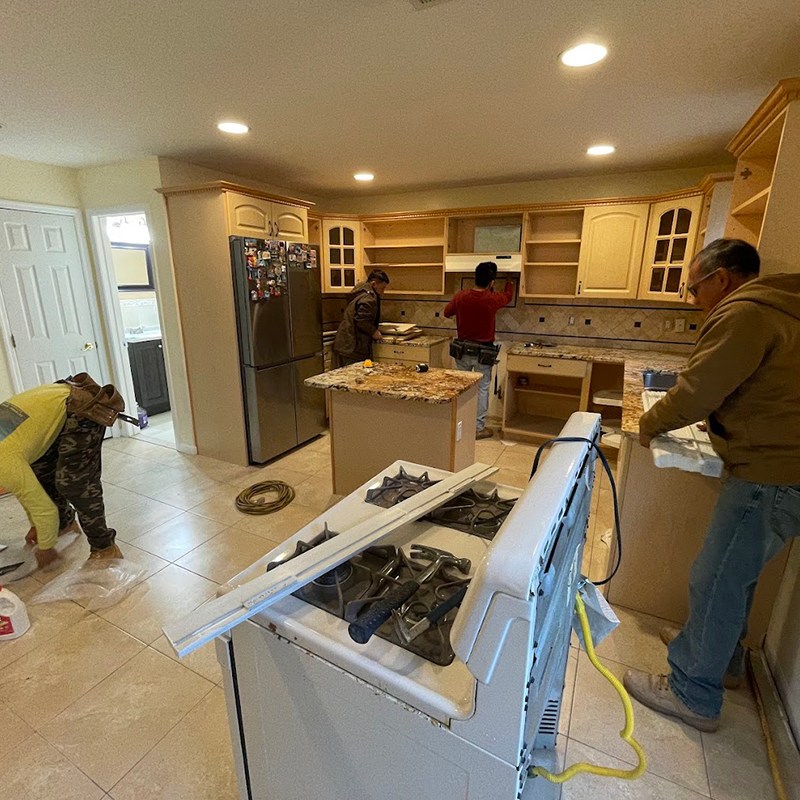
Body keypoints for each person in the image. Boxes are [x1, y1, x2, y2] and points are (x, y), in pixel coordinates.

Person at [623, 238, 800, 733]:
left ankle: (692, 694)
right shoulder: (785, 305)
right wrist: (725, 420)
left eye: (694, 288)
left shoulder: (746, 312)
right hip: (786, 468)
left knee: (716, 577)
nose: (693, 299)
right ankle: (722, 663)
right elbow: (764, 387)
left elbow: (698, 388)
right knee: (736, 575)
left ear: (721, 278)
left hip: (771, 472)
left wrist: (646, 425)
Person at [0, 381, 123, 568]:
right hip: (54, 408)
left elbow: (42, 508)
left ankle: (105, 547)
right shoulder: (6, 460)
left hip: (80, 407)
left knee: (74, 482)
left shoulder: (3, 462)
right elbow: (27, 492)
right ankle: (64, 523)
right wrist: (39, 528)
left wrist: (46, 547)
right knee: (39, 474)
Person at [444, 261, 514, 439]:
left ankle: (460, 424)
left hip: (462, 350)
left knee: (462, 388)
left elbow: (446, 312)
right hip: (484, 353)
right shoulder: (493, 298)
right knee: (482, 389)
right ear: (491, 282)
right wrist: (509, 282)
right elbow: (507, 296)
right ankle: (478, 429)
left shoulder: (461, 296)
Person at [333, 269, 390, 366]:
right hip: (353, 346)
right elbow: (361, 321)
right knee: (354, 377)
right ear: (374, 284)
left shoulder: (360, 290)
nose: (383, 292)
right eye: (382, 288)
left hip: (345, 343)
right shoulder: (369, 299)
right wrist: (374, 332)